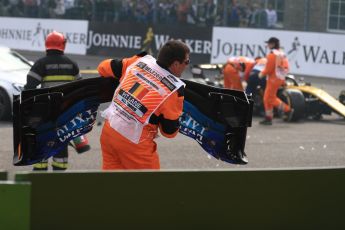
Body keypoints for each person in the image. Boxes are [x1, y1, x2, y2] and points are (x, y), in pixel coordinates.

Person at [97, 40, 190, 170]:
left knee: (112, 187)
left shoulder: (139, 60)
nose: (187, 66)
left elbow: (102, 67)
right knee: (150, 188)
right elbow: (169, 132)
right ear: (175, 64)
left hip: (109, 132)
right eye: (186, 62)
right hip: (135, 144)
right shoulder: (174, 90)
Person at [24, 30, 86, 170]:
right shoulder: (72, 64)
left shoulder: (41, 64)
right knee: (61, 141)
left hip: (45, 113)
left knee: (42, 141)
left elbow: (29, 87)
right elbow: (81, 89)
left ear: (47, 45)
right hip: (65, 112)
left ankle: (40, 172)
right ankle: (59, 173)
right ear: (62, 45)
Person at [258, 37, 293, 125]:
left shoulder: (272, 55)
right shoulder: (281, 53)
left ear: (273, 44)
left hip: (273, 79)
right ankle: (268, 117)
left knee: (270, 98)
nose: (268, 45)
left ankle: (287, 110)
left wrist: (262, 74)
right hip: (279, 78)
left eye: (269, 43)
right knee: (267, 98)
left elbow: (268, 69)